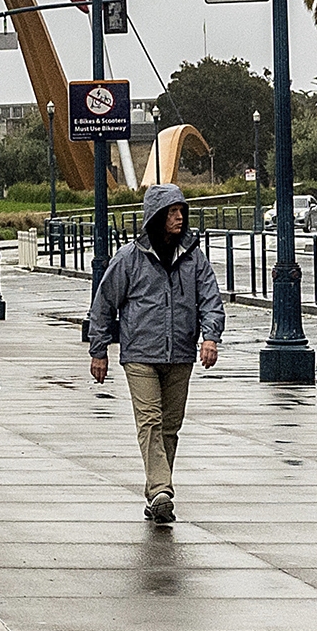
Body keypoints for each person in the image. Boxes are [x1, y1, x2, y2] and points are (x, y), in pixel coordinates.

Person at [83, 183, 223, 526]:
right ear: (156, 217)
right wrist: (98, 350)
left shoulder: (194, 258)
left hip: (180, 354)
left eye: (181, 212)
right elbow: (103, 306)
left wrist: (211, 338)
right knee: (150, 421)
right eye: (172, 212)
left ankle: (155, 495)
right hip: (140, 354)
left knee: (170, 427)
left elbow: (210, 299)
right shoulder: (129, 259)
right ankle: (162, 489)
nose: (179, 218)